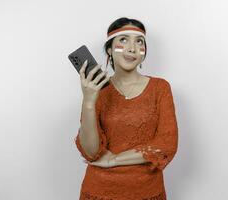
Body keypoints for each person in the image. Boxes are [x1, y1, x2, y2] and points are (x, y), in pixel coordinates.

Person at [74, 17, 179, 200]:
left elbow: (166, 145)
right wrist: (89, 101)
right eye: (123, 40)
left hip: (147, 191)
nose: (132, 48)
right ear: (109, 49)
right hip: (99, 191)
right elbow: (91, 152)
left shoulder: (160, 88)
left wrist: (114, 160)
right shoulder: (97, 90)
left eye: (139, 41)